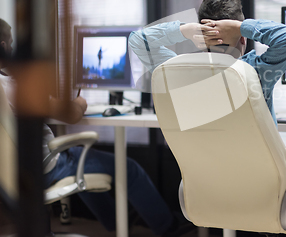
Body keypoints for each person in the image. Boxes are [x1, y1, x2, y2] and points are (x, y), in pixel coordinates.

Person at [129, 0, 286, 210]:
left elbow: (138, 40)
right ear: (243, 39)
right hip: (268, 188)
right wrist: (241, 27)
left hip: (212, 190)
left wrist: (184, 30)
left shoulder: (177, 71)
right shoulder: (254, 70)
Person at [0, 18, 187, 237]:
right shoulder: (11, 86)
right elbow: (71, 115)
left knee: (85, 159)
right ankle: (169, 229)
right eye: (11, 45)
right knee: (129, 168)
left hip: (10, 173)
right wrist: (80, 102)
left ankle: (115, 222)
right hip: (44, 167)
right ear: (4, 48)